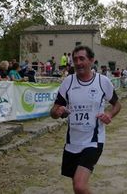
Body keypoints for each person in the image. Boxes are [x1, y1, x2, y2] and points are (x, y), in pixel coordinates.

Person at [50, 45, 121, 194]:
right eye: (75, 59)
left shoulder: (102, 81)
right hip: (72, 142)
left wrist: (109, 115)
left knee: (80, 185)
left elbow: (117, 105)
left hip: (94, 140)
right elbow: (53, 112)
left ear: (91, 60)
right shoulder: (68, 82)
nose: (78, 62)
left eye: (82, 58)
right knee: (76, 185)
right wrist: (59, 111)